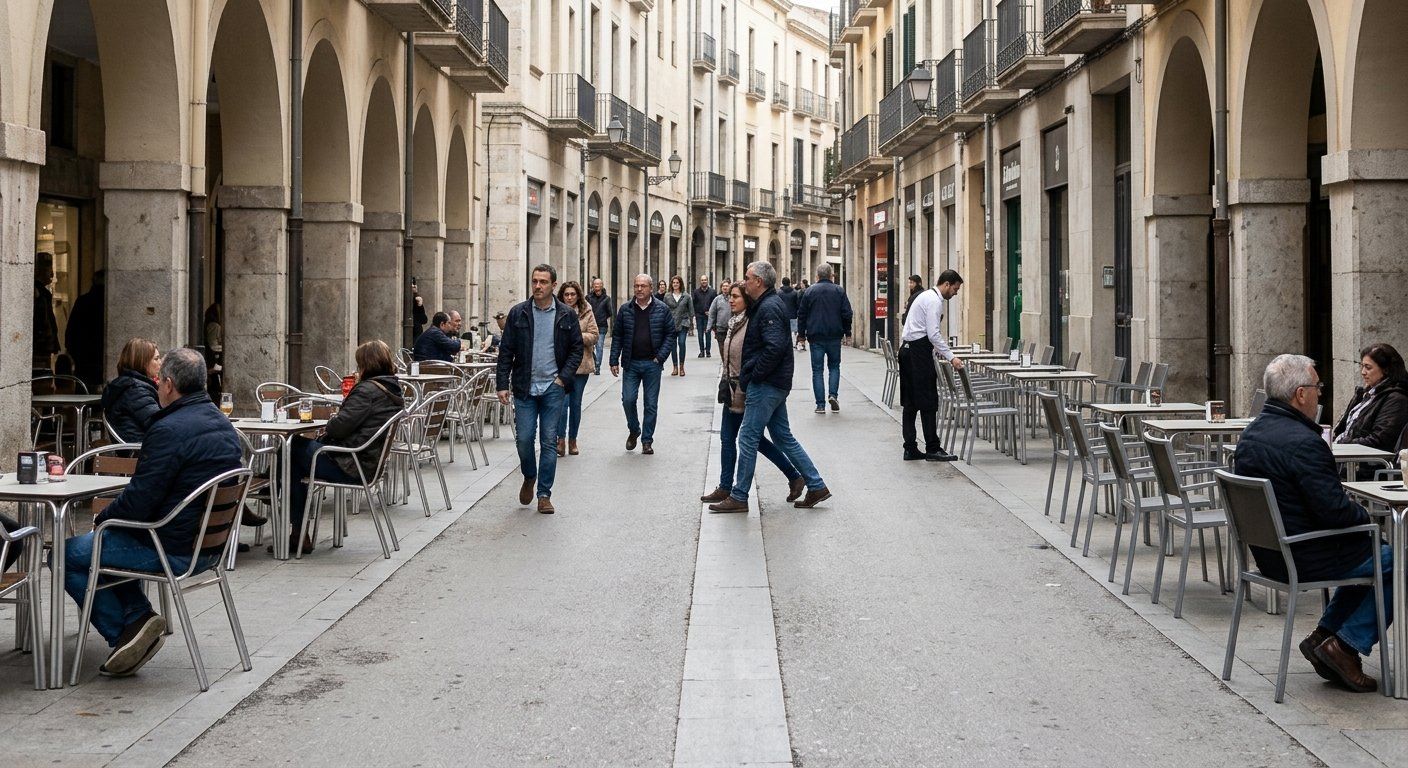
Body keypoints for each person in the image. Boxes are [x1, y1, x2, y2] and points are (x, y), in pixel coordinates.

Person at [62, 348, 242, 678]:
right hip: (210, 548)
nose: (157, 386)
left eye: (159, 382)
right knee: (109, 541)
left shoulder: (169, 430)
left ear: (169, 385)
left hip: (172, 549)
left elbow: (139, 502)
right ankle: (137, 617)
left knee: (67, 555)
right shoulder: (223, 424)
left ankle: (126, 632)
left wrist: (103, 518)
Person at [1234, 353, 1395, 694]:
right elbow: (1335, 512)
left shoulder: (1251, 434)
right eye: (1317, 387)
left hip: (1269, 553)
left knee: (1373, 554)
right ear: (1301, 394)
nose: (1321, 393)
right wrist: (1366, 517)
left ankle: (1325, 636)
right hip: (1302, 554)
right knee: (1393, 558)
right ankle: (1347, 644)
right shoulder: (1305, 443)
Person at [708, 261, 830, 513]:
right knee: (783, 437)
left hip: (767, 384)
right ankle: (815, 484)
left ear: (758, 282)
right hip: (773, 383)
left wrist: (753, 374)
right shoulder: (767, 305)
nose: (744, 281)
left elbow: (774, 347)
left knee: (748, 437)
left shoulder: (770, 307)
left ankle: (739, 495)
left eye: (747, 277)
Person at [286, 340, 404, 554]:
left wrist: (332, 419)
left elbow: (339, 428)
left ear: (366, 364)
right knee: (294, 456)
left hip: (350, 464)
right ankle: (296, 529)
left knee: (290, 450)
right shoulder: (392, 388)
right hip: (366, 462)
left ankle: (294, 523)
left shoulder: (367, 390)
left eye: (359, 363)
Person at [701, 283, 804, 505]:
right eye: (730, 296)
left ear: (747, 300)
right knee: (731, 438)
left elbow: (762, 352)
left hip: (745, 388)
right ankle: (726, 486)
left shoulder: (751, 323)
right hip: (731, 386)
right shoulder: (733, 322)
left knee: (752, 439)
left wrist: (750, 379)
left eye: (736, 297)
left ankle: (792, 476)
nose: (731, 300)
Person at [496, 264, 585, 513]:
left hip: (552, 388)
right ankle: (529, 475)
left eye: (543, 282)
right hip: (525, 387)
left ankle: (544, 494)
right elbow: (506, 351)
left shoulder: (566, 315)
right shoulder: (519, 313)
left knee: (548, 442)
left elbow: (576, 349)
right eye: (534, 281)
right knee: (524, 439)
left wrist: (562, 379)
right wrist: (502, 383)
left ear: (553, 285)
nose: (537, 286)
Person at [899, 270, 964, 462]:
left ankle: (910, 448)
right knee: (928, 402)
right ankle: (933, 448)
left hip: (907, 350)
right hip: (918, 352)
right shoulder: (934, 301)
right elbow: (933, 334)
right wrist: (952, 357)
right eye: (955, 288)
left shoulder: (925, 296)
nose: (956, 292)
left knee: (910, 403)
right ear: (946, 284)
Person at [610, 273, 676, 455]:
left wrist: (660, 357)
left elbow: (670, 334)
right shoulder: (625, 310)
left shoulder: (662, 309)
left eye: (643, 286)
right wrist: (613, 359)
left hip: (652, 364)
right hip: (631, 363)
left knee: (651, 404)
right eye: (636, 286)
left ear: (651, 288)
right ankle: (634, 429)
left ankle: (647, 440)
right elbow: (618, 336)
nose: (639, 289)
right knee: (628, 400)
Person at [1331, 343, 1408, 458]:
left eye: (1368, 367)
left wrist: (1342, 444)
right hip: (1347, 459)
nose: (1363, 372)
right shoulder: (1364, 394)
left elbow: (1379, 440)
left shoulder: (1396, 399)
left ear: (1385, 370)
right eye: (1362, 366)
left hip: (1367, 466)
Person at [797, 263, 854, 415]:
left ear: (817, 276)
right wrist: (848, 333)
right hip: (835, 335)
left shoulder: (809, 291)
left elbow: (801, 315)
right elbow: (847, 313)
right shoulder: (839, 291)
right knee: (834, 367)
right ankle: (833, 395)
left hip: (815, 336)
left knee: (817, 370)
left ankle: (820, 405)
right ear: (831, 276)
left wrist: (801, 336)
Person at [555, 281, 598, 457]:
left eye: (573, 294)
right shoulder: (556, 311)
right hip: (561, 365)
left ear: (578, 295)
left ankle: (573, 439)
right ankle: (560, 440)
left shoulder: (586, 311)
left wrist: (577, 336)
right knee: (562, 404)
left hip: (581, 365)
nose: (570, 297)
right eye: (566, 294)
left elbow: (594, 335)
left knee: (575, 404)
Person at [100, 338, 162, 442]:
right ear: (143, 363)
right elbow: (160, 425)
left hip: (141, 447)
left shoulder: (129, 386)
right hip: (143, 451)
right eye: (156, 359)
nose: (160, 363)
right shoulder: (136, 390)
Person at [67, 269, 106, 387]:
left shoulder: (83, 301)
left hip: (83, 359)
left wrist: (76, 354)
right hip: (97, 357)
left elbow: (70, 333)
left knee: (83, 391)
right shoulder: (108, 302)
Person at [33, 252, 60, 370]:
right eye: (48, 268)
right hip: (41, 346)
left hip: (43, 345)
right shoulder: (39, 293)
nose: (52, 273)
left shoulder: (43, 293)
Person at [663, 275, 693, 376]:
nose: (675, 284)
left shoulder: (686, 296)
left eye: (677, 283)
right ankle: (675, 367)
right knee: (673, 346)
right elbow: (664, 311)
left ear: (680, 284)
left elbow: (691, 311)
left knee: (681, 343)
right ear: (671, 284)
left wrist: (691, 325)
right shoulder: (667, 296)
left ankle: (682, 367)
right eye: (674, 283)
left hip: (683, 323)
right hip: (671, 324)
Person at [587, 277, 614, 373]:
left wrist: (602, 318)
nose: (596, 286)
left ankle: (597, 366)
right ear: (593, 286)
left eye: (598, 284)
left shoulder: (607, 299)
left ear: (602, 286)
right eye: (595, 285)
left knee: (599, 347)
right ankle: (594, 361)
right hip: (589, 326)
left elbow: (610, 312)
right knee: (589, 347)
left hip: (602, 326)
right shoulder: (588, 297)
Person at [692, 275, 718, 358]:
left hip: (708, 316)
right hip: (699, 316)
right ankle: (701, 351)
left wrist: (711, 312)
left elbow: (715, 304)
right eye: (702, 280)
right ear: (700, 281)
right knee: (700, 335)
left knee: (708, 334)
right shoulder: (696, 292)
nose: (704, 282)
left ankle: (708, 351)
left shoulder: (712, 292)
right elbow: (693, 303)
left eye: (705, 280)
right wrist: (695, 313)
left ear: (707, 281)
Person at [706, 280, 733, 351]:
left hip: (731, 328)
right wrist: (709, 326)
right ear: (721, 288)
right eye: (723, 286)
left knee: (730, 348)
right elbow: (712, 313)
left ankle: (727, 361)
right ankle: (724, 361)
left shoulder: (733, 298)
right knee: (722, 348)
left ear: (730, 287)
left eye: (726, 286)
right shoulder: (717, 299)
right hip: (720, 328)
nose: (725, 288)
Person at [778, 276, 802, 351]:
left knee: (782, 329)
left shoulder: (779, 293)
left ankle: (783, 343)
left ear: (782, 283)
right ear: (789, 283)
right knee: (793, 330)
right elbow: (798, 304)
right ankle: (793, 343)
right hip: (793, 314)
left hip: (782, 314)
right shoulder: (795, 292)